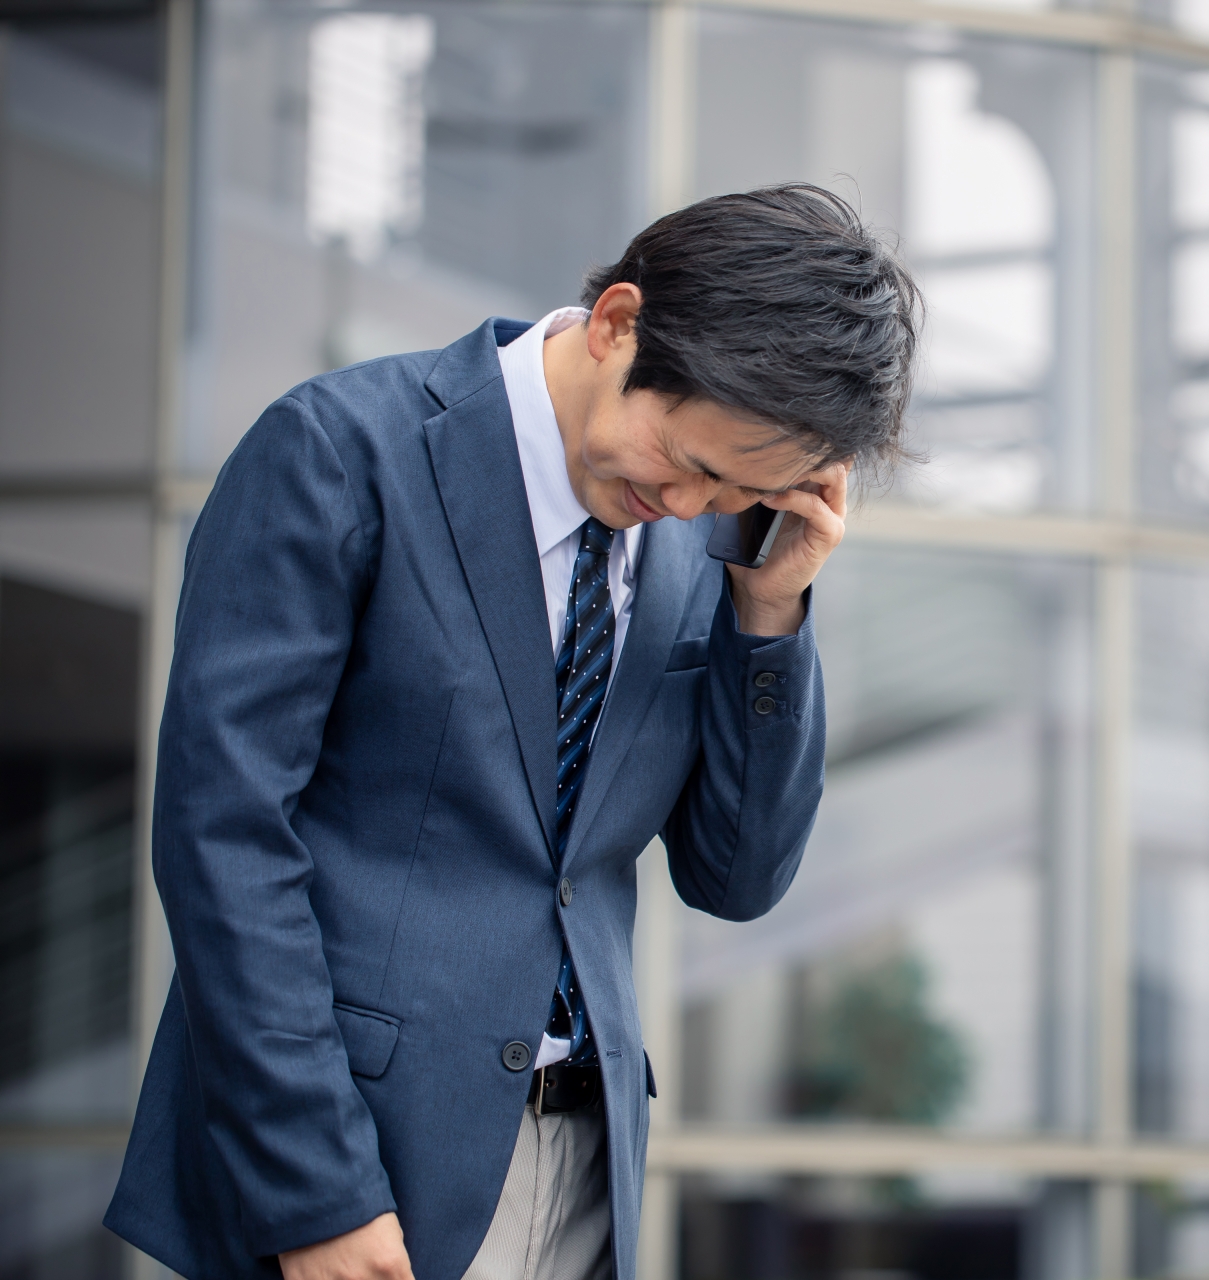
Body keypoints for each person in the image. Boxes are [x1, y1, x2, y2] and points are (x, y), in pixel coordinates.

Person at [104, 185, 919, 1280]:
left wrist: (771, 617)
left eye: (739, 486)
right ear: (619, 321)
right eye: (686, 457)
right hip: (357, 1159)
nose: (688, 504)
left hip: (586, 1168)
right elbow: (223, 841)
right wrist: (315, 1192)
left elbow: (736, 875)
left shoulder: (705, 544)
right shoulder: (342, 454)